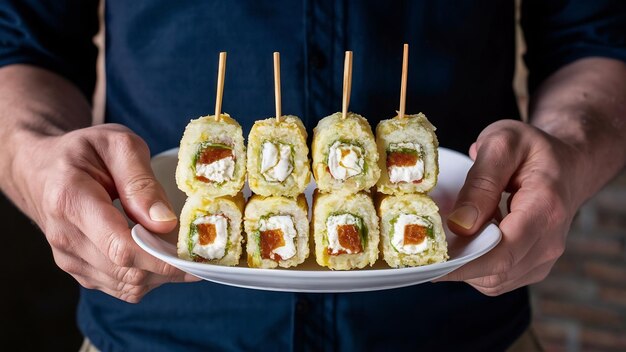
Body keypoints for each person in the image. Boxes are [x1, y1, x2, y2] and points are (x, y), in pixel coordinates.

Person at [1, 1, 625, 351]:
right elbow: (19, 41)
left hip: (458, 329)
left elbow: (595, 36)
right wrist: (32, 157)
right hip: (154, 334)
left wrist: (568, 155)